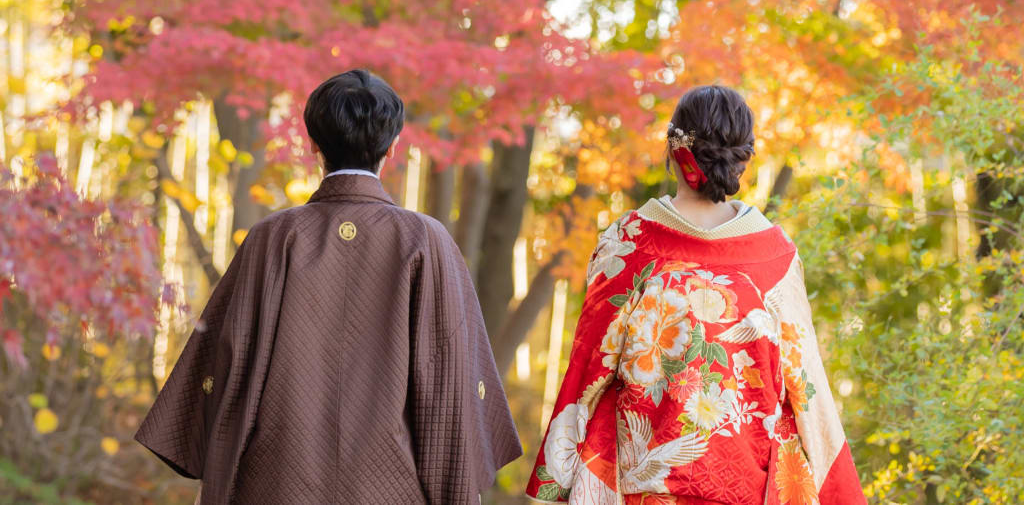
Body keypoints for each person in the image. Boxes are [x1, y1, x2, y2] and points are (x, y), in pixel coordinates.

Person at [136, 69, 522, 504]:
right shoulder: (425, 241)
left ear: (313, 143)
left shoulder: (273, 236)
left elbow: (227, 361)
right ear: (393, 147)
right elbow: (449, 378)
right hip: (392, 488)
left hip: (275, 483)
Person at [525, 85, 865, 504]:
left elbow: (588, 371)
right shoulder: (775, 257)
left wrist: (555, 477)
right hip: (749, 490)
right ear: (745, 159)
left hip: (643, 489)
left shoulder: (628, 245)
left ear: (673, 149)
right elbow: (807, 385)